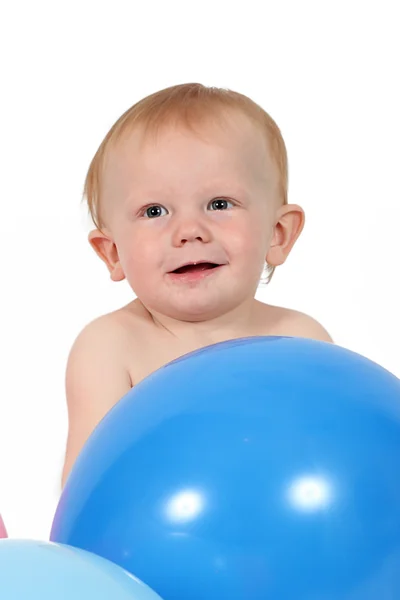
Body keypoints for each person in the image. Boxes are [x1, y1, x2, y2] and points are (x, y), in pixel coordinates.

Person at [61, 83, 332, 486]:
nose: (189, 231)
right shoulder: (111, 347)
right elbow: (88, 494)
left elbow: (335, 465)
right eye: (154, 211)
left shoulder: (300, 340)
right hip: (149, 547)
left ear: (277, 234)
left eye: (219, 204)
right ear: (112, 252)